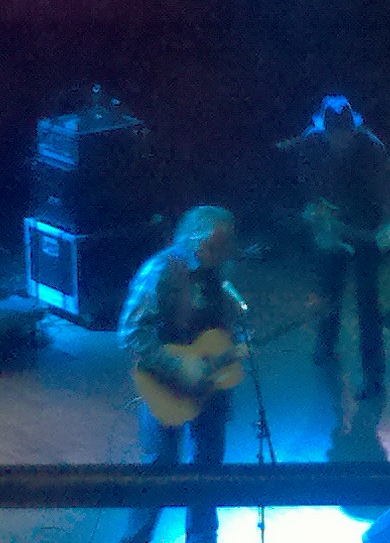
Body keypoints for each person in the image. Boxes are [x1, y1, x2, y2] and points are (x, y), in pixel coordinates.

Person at [118, 205, 248, 543]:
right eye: (216, 246)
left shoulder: (219, 276)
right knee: (160, 466)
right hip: (166, 384)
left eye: (226, 246)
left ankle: (203, 537)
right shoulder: (161, 271)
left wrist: (236, 345)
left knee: (209, 465)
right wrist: (179, 364)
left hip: (210, 388)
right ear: (196, 239)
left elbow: (222, 328)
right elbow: (131, 332)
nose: (223, 254)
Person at [279, 95, 390, 405]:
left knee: (368, 306)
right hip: (331, 226)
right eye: (334, 134)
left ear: (354, 129)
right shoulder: (310, 144)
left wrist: (389, 226)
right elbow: (307, 183)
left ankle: (374, 378)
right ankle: (325, 346)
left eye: (345, 134)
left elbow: (386, 192)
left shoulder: (372, 148)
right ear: (323, 130)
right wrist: (316, 214)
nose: (339, 140)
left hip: (366, 227)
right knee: (329, 292)